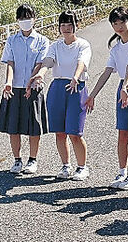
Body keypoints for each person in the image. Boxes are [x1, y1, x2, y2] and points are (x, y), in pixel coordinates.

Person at [85, 6, 128, 190]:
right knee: (122, 134)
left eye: (122, 22)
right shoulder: (115, 49)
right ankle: (122, 172)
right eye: (115, 23)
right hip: (124, 87)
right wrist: (92, 95)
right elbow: (107, 72)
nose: (118, 26)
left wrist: (125, 87)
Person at [29, 10, 91, 181]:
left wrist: (75, 77)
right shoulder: (56, 45)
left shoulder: (83, 45)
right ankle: (66, 165)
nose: (66, 28)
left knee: (75, 132)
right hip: (57, 88)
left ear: (76, 25)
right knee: (60, 132)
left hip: (76, 87)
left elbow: (81, 62)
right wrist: (41, 73)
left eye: (69, 24)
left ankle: (82, 167)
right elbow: (48, 61)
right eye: (62, 25)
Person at [0, 4, 51, 175]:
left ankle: (32, 160)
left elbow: (40, 64)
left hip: (34, 87)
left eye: (28, 17)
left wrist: (30, 82)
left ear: (34, 18)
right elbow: (10, 63)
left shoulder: (42, 40)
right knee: (14, 126)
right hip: (15, 88)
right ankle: (17, 160)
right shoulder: (12, 40)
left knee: (34, 126)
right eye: (22, 18)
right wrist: (8, 82)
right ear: (17, 20)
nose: (25, 21)